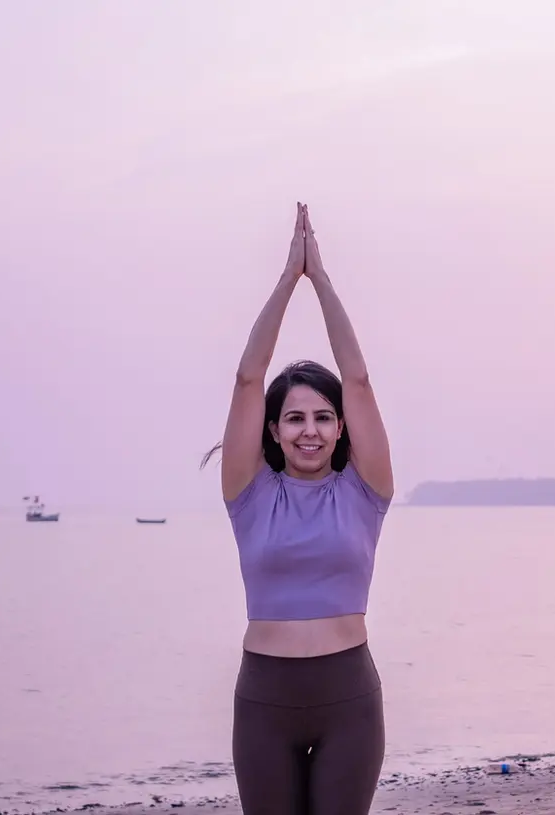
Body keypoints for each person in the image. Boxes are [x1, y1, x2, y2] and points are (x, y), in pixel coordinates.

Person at [202, 202, 395, 814]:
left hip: (349, 700)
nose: (309, 430)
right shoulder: (248, 493)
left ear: (341, 428)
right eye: (294, 418)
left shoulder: (365, 490)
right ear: (274, 430)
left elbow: (358, 379)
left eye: (323, 417)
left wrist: (322, 279)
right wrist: (289, 278)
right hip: (265, 701)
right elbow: (247, 378)